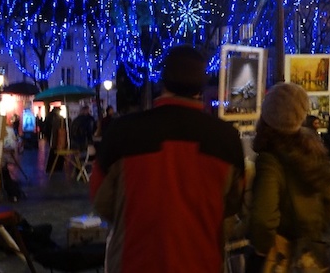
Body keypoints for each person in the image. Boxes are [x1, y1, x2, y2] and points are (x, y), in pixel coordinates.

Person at [90, 45, 245, 272]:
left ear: (163, 81)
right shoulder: (226, 139)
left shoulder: (123, 132)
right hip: (202, 263)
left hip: (135, 262)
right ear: (201, 86)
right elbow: (232, 205)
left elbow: (101, 200)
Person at [247, 82, 330, 272]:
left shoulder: (270, 159)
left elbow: (263, 219)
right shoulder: (313, 150)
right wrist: (312, 234)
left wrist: (263, 249)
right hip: (311, 255)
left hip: (282, 258)